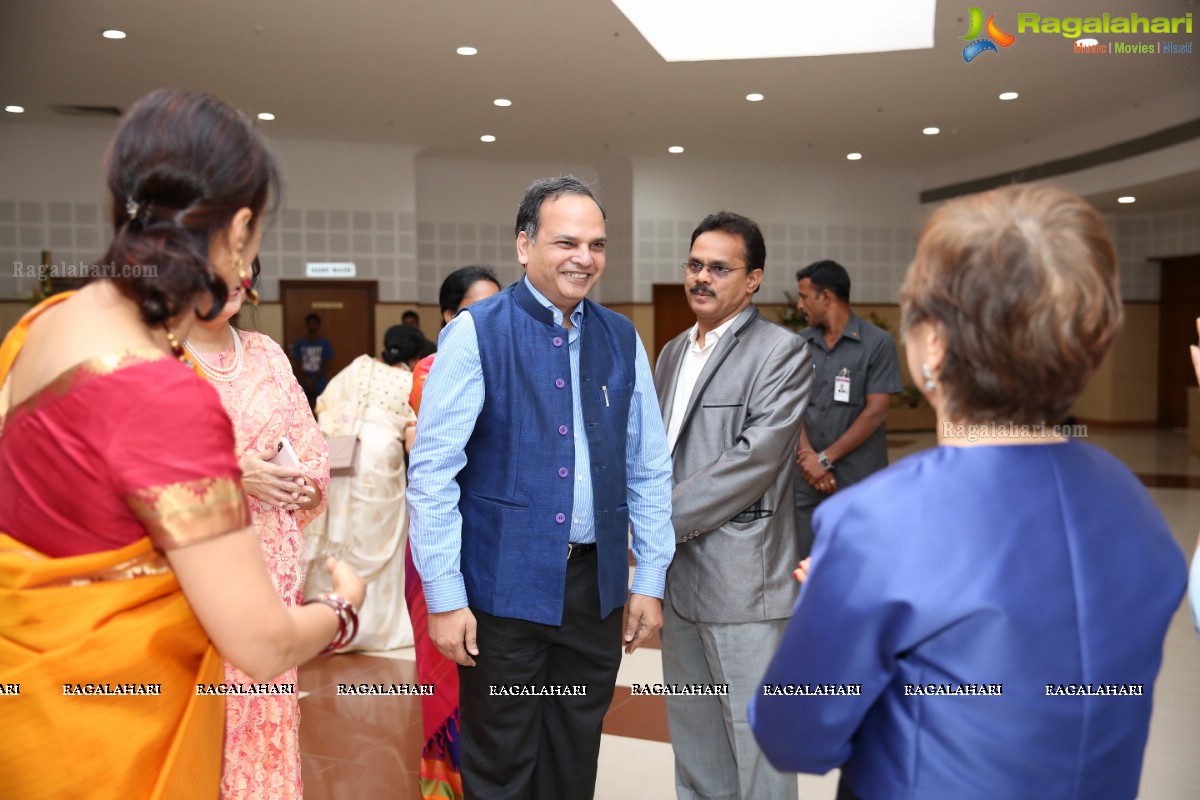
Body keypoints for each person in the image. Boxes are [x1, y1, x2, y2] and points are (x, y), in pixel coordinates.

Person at [749, 184, 1188, 800]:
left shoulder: (881, 520)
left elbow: (795, 735)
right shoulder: (1132, 501)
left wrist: (834, 600)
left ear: (933, 346)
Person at [0, 89, 364, 799]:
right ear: (238, 230)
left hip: (32, 709)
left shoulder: (44, 327)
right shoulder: (161, 393)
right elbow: (259, 645)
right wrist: (342, 609)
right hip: (114, 739)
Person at [407, 176, 675, 800]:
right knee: (500, 764)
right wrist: (445, 597)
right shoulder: (477, 332)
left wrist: (649, 579)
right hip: (503, 589)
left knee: (574, 757)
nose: (584, 257)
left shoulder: (621, 338)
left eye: (597, 244)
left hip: (595, 592)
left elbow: (648, 466)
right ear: (524, 246)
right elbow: (433, 474)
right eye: (566, 242)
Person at [653, 211, 810, 800]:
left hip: (742, 579)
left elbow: (753, 461)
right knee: (694, 736)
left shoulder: (780, 353)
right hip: (678, 579)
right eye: (695, 265)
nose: (702, 277)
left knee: (756, 739)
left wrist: (653, 523)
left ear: (753, 280)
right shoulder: (671, 352)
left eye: (720, 268)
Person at [185, 255, 330, 797]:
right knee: (202, 712)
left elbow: (311, 449)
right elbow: (122, 468)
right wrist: (230, 471)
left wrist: (305, 483)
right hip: (192, 565)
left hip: (272, 561)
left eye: (243, 270)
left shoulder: (267, 354)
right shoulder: (156, 358)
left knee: (263, 699)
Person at [404, 265, 501, 800]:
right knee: (444, 666)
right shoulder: (432, 369)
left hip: (493, 540)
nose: (485, 324)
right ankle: (447, 783)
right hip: (441, 539)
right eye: (471, 311)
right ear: (447, 318)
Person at [306, 324, 425, 651]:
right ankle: (373, 627)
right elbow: (416, 432)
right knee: (382, 539)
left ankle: (328, 619)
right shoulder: (410, 381)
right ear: (414, 357)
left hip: (344, 455)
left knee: (343, 536)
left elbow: (324, 404)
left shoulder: (356, 369)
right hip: (381, 461)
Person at [792, 259, 901, 557]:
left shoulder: (877, 344)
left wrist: (824, 460)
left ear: (825, 296)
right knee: (804, 563)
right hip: (806, 479)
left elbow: (875, 411)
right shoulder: (801, 344)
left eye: (804, 296)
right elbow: (793, 407)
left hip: (857, 479)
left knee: (856, 561)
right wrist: (809, 458)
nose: (799, 305)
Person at [293, 312, 334, 409]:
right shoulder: (300, 342)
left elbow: (328, 363)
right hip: (303, 381)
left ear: (318, 325)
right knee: (304, 409)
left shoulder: (325, 342)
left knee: (320, 409)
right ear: (306, 324)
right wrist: (306, 379)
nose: (312, 325)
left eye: (314, 323)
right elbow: (297, 362)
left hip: (320, 382)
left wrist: (313, 379)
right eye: (310, 323)